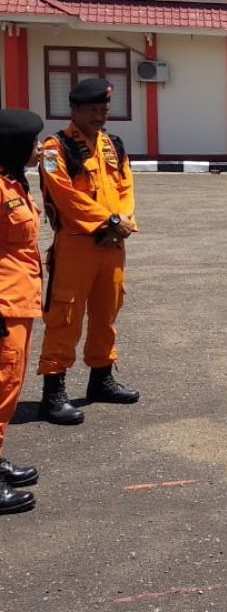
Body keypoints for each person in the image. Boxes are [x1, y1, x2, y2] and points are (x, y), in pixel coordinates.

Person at [38, 78, 139, 425]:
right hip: (76, 245)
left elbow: (125, 185)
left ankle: (102, 379)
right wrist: (107, 220)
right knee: (64, 315)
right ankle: (53, 393)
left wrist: (124, 221)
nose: (100, 115)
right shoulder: (56, 148)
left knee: (106, 311)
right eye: (92, 109)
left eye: (104, 109)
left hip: (112, 244)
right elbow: (65, 196)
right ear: (75, 110)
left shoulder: (113, 144)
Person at [0, 109, 45, 514]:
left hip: (19, 300)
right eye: (33, 142)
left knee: (8, 388)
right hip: (2, 306)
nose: (38, 149)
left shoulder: (14, 182)